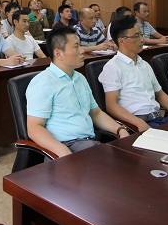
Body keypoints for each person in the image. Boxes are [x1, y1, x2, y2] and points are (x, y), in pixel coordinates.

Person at [26, 26, 130, 156]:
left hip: (88, 143)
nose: (82, 51)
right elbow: (34, 128)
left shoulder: (79, 78)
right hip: (66, 146)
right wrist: (64, 153)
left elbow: (95, 113)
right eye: (76, 47)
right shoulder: (43, 82)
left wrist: (120, 129)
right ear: (58, 54)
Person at [99, 15, 168, 132]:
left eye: (141, 35)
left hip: (160, 118)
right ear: (121, 40)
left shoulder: (144, 64)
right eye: (136, 36)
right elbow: (111, 106)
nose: (141, 40)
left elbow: (159, 93)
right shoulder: (113, 67)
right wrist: (138, 123)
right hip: (137, 124)